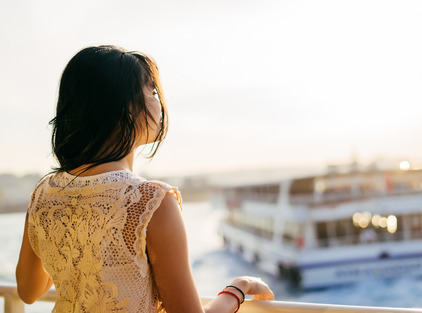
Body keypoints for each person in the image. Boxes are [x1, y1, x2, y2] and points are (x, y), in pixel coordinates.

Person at [16, 45, 274, 313]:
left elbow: (28, 291)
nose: (159, 100)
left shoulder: (44, 193)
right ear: (124, 107)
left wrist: (68, 248)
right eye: (150, 90)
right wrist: (238, 288)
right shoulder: (150, 201)